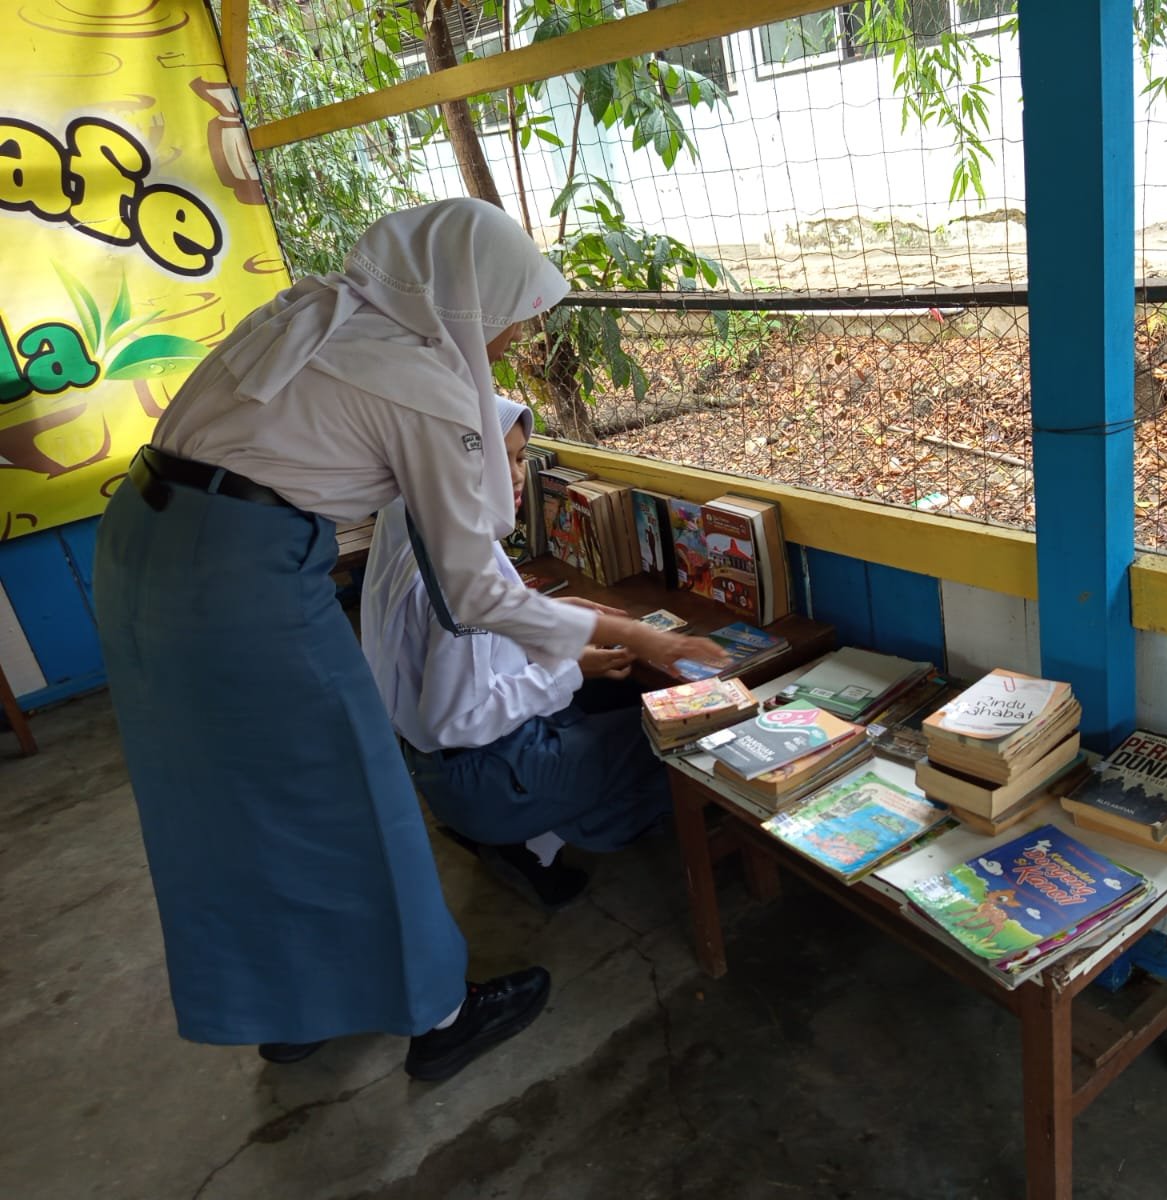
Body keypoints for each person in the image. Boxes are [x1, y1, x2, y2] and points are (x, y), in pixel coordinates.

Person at [92, 199, 727, 1079]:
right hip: (239, 579)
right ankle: (441, 1014)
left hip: (141, 551)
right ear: (466, 299)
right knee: (357, 793)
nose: (512, 340)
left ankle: (292, 1009)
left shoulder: (310, 313)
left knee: (226, 805)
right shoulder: (421, 384)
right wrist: (633, 637)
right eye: (511, 316)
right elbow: (472, 594)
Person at [361, 395, 673, 910]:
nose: (517, 474)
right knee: (665, 744)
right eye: (499, 459)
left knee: (603, 716)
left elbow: (458, 642)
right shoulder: (459, 577)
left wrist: (537, 612)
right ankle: (540, 837)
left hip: (436, 771)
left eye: (522, 456)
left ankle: (531, 830)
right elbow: (456, 719)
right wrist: (568, 670)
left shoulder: (415, 527)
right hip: (486, 772)